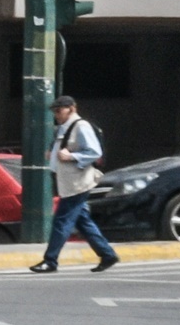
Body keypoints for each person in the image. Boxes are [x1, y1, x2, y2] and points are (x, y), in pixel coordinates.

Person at [31, 95, 119, 271]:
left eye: (59, 110)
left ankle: (50, 260)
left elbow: (95, 152)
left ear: (71, 109)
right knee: (83, 221)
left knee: (61, 222)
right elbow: (63, 146)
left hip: (77, 183)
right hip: (68, 182)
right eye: (54, 111)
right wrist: (52, 151)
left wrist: (71, 156)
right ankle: (107, 254)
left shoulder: (81, 126)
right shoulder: (64, 127)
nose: (56, 114)